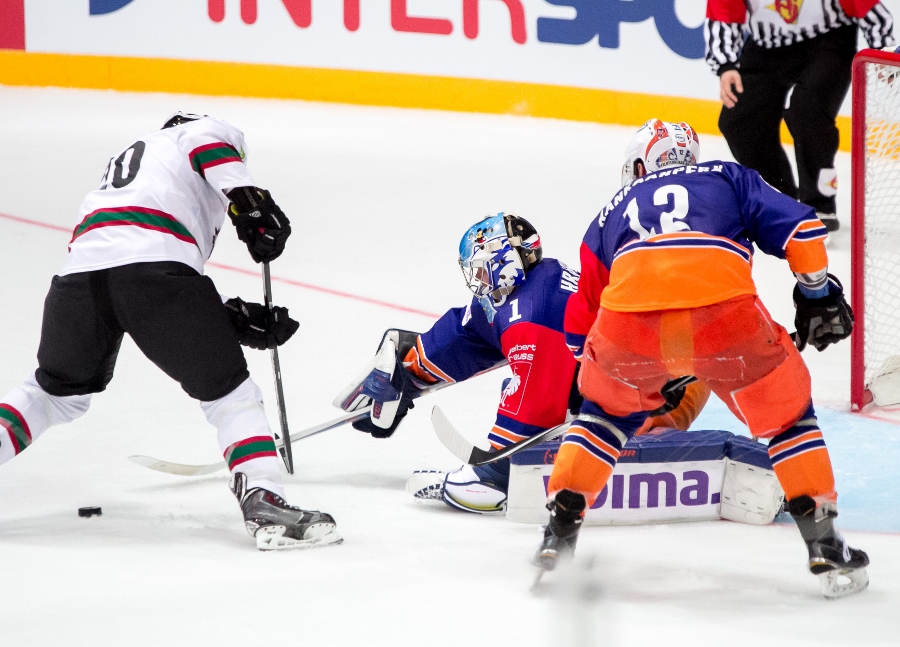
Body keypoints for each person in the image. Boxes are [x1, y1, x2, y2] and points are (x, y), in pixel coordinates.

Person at [536, 118, 866, 599]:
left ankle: (560, 527)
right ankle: (824, 545)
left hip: (626, 331)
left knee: (602, 417)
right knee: (789, 420)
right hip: (725, 321)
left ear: (641, 164)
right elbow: (803, 229)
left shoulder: (609, 212)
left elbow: (580, 319)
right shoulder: (727, 177)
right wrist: (815, 292)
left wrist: (600, 382)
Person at [0, 112, 341, 551]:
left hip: (77, 281)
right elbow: (154, 277)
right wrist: (249, 201)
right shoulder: (196, 132)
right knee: (230, 395)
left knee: (52, 394)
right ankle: (262, 493)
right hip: (154, 275)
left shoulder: (132, 160)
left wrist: (226, 321)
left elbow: (130, 269)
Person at [333, 212, 710, 514]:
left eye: (481, 270)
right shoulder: (519, 292)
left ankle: (645, 436)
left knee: (586, 416)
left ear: (506, 261)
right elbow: (466, 333)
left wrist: (491, 473)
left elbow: (532, 414)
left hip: (672, 386)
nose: (477, 282)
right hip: (658, 362)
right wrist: (406, 374)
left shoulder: (534, 314)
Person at [705, 0, 895, 231]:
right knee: (739, 121)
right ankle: (778, 196)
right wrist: (726, 65)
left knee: (809, 111)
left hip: (829, 41)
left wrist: (882, 48)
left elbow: (866, 5)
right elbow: (723, 10)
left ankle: (819, 201)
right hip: (767, 47)